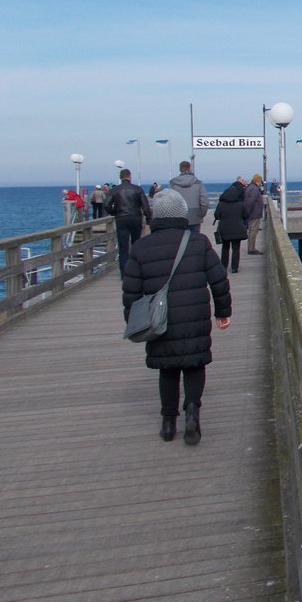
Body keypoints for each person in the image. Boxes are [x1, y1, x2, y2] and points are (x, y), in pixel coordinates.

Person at [122, 188, 231, 445]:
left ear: (155, 216)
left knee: (168, 369)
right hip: (194, 314)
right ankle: (192, 412)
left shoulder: (141, 247)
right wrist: (223, 312)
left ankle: (168, 422)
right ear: (182, 214)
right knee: (194, 364)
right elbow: (219, 280)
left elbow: (131, 291)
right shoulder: (197, 242)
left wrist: (133, 320)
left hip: (160, 319)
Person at [106, 168, 153, 276]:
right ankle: (137, 270)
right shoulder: (137, 189)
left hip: (121, 219)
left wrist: (114, 212)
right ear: (130, 176)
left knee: (123, 247)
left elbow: (106, 205)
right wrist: (149, 220)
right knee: (136, 244)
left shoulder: (115, 190)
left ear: (120, 177)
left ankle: (124, 273)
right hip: (135, 218)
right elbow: (145, 207)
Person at [213, 179, 249, 273]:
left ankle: (224, 266)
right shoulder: (240, 204)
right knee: (236, 248)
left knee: (225, 248)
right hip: (237, 229)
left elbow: (216, 215)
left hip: (224, 229)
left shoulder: (221, 204)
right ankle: (234, 267)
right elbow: (246, 215)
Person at [168, 161, 209, 232]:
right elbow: (204, 201)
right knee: (195, 240)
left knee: (180, 241)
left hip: (178, 217)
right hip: (195, 217)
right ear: (189, 168)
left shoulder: (173, 183)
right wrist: (201, 214)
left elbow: (170, 201)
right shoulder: (198, 183)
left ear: (180, 169)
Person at [244, 173, 265, 254]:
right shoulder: (254, 189)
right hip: (254, 214)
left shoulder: (250, 187)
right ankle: (251, 249)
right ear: (258, 180)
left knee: (252, 231)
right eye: (260, 181)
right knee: (253, 231)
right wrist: (249, 212)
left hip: (252, 214)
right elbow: (250, 202)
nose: (261, 182)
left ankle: (251, 248)